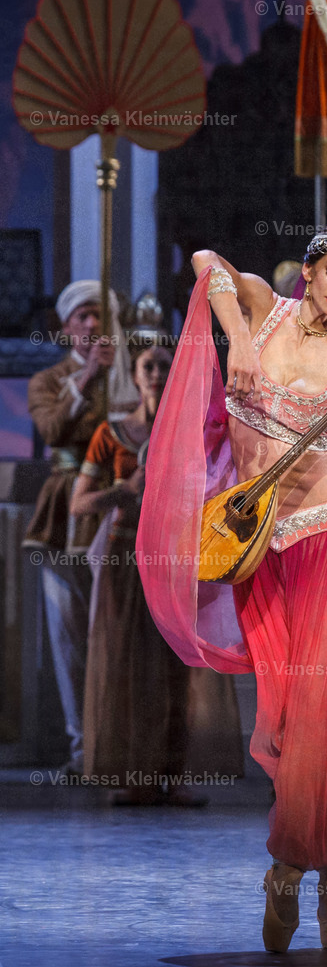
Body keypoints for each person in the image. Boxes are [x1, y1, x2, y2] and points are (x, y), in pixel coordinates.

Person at [136, 221, 327, 951]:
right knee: (283, 716)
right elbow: (206, 258)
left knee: (320, 711)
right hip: (257, 544)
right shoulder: (262, 309)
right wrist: (235, 336)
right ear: (308, 269)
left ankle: (288, 871)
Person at [70, 338, 228, 805]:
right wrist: (126, 490)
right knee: (129, 667)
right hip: (126, 561)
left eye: (164, 365)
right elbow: (79, 503)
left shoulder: (193, 432)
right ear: (135, 375)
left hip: (178, 561)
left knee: (179, 669)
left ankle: (174, 774)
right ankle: (135, 774)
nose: (157, 373)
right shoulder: (112, 433)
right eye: (148, 366)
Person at [23, 281, 118, 774]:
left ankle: (124, 747)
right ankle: (84, 751)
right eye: (82, 316)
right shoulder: (49, 380)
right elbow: (53, 430)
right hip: (65, 513)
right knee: (68, 635)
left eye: (99, 315)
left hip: (118, 506)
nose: (91, 325)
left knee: (118, 633)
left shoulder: (127, 378)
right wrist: (86, 379)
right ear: (66, 327)